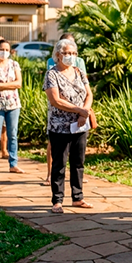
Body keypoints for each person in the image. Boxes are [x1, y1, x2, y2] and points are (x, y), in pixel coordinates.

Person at [44, 38, 94, 213]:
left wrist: (84, 112)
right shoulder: (52, 74)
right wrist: (79, 110)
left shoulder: (79, 72)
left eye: (73, 53)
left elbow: (89, 94)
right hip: (60, 126)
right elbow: (55, 100)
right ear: (58, 55)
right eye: (66, 53)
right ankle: (57, 200)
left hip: (80, 125)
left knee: (78, 162)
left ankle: (77, 197)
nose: (70, 56)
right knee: (59, 163)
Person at [0, 39, 24, 176]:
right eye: (2, 49)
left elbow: (19, 83)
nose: (4, 52)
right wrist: (9, 84)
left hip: (13, 104)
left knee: (12, 134)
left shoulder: (14, 64)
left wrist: (0, 85)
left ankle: (13, 164)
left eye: (7, 50)